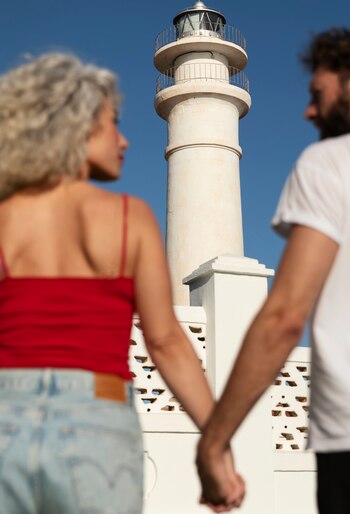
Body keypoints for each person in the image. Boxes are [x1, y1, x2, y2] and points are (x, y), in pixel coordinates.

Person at [196, 29, 350, 514]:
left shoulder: (330, 163)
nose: (308, 112)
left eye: (318, 94)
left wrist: (213, 442)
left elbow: (285, 317)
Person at [0, 52, 229, 514]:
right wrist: (215, 443)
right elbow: (165, 341)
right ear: (76, 128)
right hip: (99, 420)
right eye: (112, 123)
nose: (124, 141)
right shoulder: (129, 217)